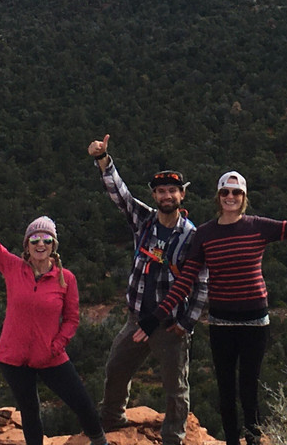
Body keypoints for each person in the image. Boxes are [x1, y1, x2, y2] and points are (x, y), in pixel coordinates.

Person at [134, 170, 287, 445]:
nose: (230, 197)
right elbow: (185, 281)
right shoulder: (205, 234)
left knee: (249, 388)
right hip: (221, 322)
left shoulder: (258, 226)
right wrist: (155, 317)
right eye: (225, 192)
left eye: (236, 192)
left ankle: (253, 439)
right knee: (225, 389)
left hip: (255, 322)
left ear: (244, 197)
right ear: (218, 196)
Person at [88, 134, 209, 445]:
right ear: (154, 195)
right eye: (161, 191)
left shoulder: (192, 237)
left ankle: (173, 437)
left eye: (172, 190)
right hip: (137, 318)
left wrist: (186, 324)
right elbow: (120, 195)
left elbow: (202, 284)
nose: (167, 196)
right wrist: (103, 160)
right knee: (116, 368)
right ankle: (112, 421)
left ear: (182, 195)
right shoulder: (144, 221)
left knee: (175, 387)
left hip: (169, 325)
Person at [0, 176, 108, 445]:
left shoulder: (66, 278)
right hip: (13, 357)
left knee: (82, 402)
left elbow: (72, 319)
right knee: (30, 411)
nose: (40, 244)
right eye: (34, 239)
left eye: (46, 239)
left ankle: (100, 441)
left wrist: (56, 346)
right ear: (27, 245)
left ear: (53, 245)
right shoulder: (13, 268)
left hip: (50, 355)